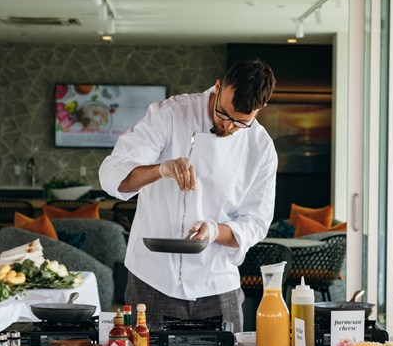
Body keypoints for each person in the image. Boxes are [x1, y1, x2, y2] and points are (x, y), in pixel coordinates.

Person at [98, 59, 277, 331]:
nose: (228, 127)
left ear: (260, 109)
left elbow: (256, 222)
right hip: (153, 278)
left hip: (217, 282)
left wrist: (215, 230)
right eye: (223, 115)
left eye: (240, 123)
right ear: (218, 87)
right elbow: (112, 176)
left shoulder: (261, 147)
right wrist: (162, 168)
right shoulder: (169, 114)